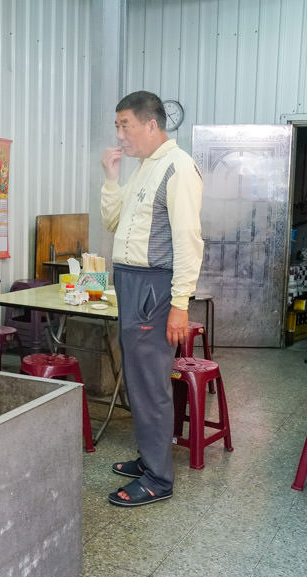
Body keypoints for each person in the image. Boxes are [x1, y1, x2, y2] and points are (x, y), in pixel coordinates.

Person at [100, 91, 204, 507]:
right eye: (117, 126)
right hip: (130, 281)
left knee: (150, 382)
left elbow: (188, 240)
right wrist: (111, 177)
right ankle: (149, 457)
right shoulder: (145, 168)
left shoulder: (178, 168)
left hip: (152, 286)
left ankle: (159, 478)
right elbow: (113, 220)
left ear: (151, 124)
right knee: (138, 376)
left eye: (125, 125)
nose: (119, 134)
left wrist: (180, 303)